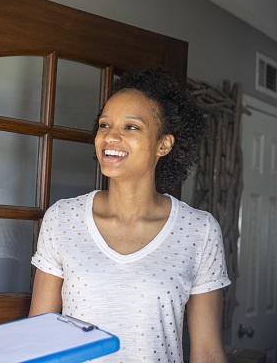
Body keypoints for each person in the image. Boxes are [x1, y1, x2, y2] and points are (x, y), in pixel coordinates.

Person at [29, 68, 230, 362]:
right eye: (104, 125)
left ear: (164, 144)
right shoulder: (63, 219)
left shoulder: (199, 231)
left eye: (131, 127)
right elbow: (39, 336)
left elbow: (208, 352)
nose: (110, 136)